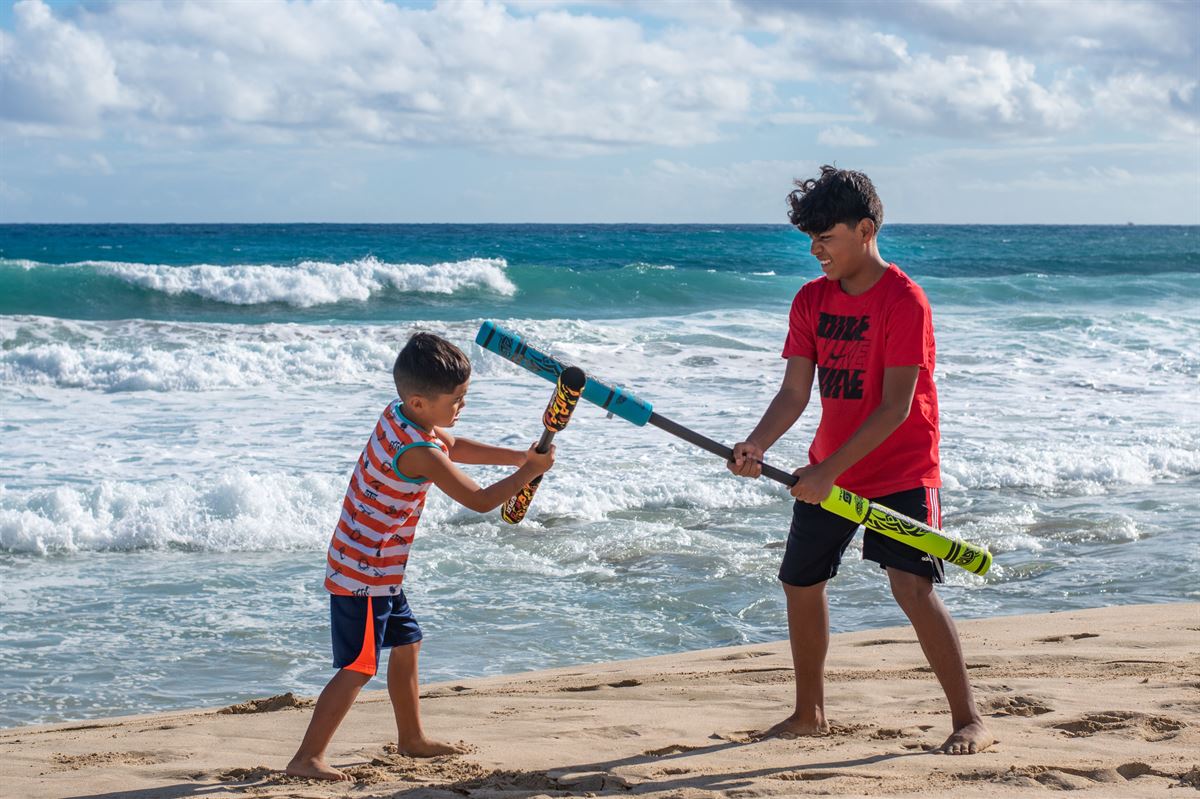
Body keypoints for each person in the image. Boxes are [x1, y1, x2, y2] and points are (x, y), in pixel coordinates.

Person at [727, 166, 991, 755]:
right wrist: (757, 445)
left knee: (912, 588)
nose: (816, 251)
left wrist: (826, 473)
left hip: (900, 471)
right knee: (800, 583)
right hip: (828, 471)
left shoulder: (904, 300)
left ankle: (968, 717)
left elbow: (896, 407)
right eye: (811, 240)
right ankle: (808, 713)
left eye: (827, 238)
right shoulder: (810, 300)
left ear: (865, 229)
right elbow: (794, 393)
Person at [287, 332, 555, 781]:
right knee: (359, 667)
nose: (461, 406)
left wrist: (519, 457)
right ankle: (306, 757)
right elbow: (481, 500)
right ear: (418, 402)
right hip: (364, 573)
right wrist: (529, 472)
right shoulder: (418, 451)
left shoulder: (399, 416)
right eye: (456, 399)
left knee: (408, 643)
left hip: (375, 563)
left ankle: (410, 739)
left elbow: (456, 446)